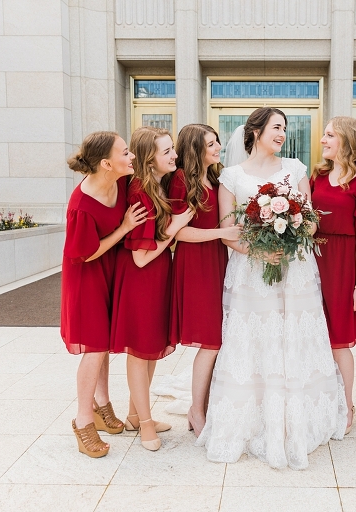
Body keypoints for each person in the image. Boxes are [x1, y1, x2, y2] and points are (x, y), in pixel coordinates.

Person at [196, 107, 347, 470]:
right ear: (255, 132)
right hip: (251, 270)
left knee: (293, 334)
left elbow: (310, 222)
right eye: (276, 127)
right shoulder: (230, 176)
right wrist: (260, 250)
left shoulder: (295, 169)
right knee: (254, 338)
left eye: (285, 128)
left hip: (293, 268)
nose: (282, 133)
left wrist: (293, 232)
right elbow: (227, 230)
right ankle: (253, 418)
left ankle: (298, 416)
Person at [63, 131, 147, 458]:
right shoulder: (81, 205)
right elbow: (85, 254)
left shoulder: (122, 182)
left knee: (104, 346)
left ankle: (102, 405)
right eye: (126, 153)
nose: (132, 158)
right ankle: (83, 420)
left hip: (111, 270)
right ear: (106, 163)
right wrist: (125, 228)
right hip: (86, 275)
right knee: (95, 346)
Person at [111, 126, 193, 451]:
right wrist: (175, 226)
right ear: (149, 159)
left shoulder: (156, 186)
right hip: (140, 279)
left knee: (152, 349)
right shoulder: (140, 193)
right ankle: (145, 424)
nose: (174, 155)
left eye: (172, 148)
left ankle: (135, 414)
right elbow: (141, 258)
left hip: (158, 276)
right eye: (166, 151)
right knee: (139, 352)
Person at [310, 116, 356, 434]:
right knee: (311, 338)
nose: (323, 140)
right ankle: (317, 401)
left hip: (342, 266)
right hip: (312, 262)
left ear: (347, 141)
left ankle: (346, 403)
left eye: (329, 135)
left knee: (339, 341)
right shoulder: (318, 175)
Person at [166, 124, 241, 436]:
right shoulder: (181, 180)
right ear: (195, 148)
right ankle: (197, 412)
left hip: (217, 261)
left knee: (218, 340)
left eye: (218, 142)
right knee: (211, 341)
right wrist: (222, 233)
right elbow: (178, 231)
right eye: (211, 144)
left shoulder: (215, 176)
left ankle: (204, 406)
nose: (218, 147)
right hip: (194, 264)